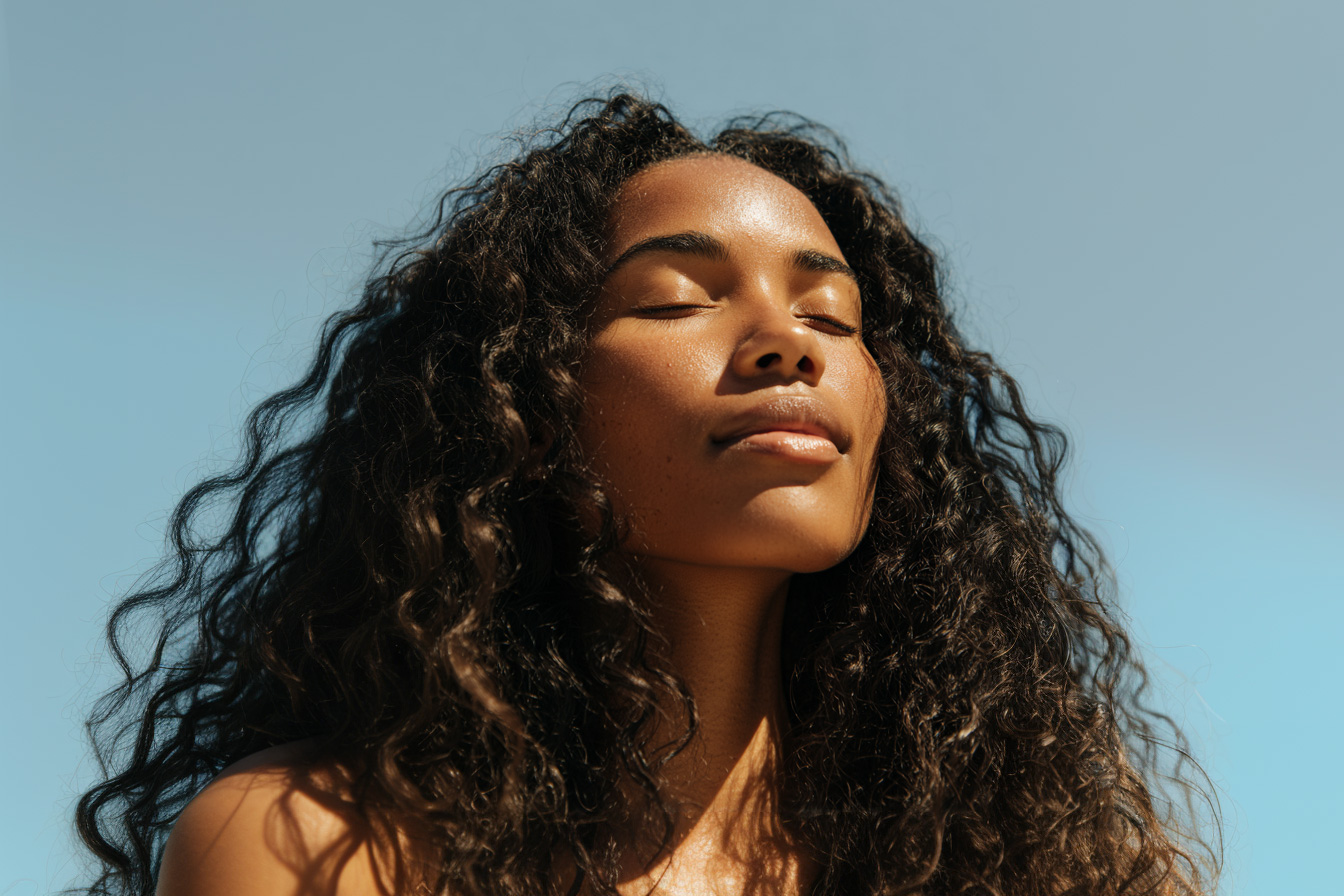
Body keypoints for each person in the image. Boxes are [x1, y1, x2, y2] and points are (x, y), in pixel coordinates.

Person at [72, 92, 1217, 896]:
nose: (786, 343)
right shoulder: (316, 847)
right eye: (677, 298)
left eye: (833, 317)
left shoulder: (1041, 866)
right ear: (520, 409)